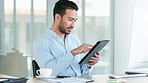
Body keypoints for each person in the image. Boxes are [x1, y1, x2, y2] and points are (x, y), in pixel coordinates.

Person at [33, 0, 100, 76]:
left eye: (74, 20)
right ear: (58, 17)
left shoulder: (74, 40)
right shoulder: (41, 43)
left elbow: (82, 72)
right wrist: (73, 53)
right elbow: (50, 71)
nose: (73, 25)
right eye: (70, 20)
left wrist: (89, 64)